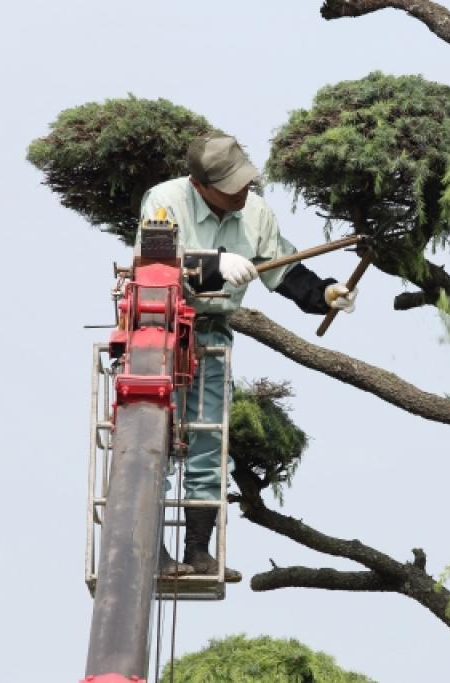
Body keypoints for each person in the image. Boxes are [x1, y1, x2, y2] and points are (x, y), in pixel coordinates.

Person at [138, 134, 357, 582]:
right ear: (200, 186)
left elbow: (285, 268)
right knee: (156, 441)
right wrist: (211, 264)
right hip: (159, 332)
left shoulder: (255, 212)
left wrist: (326, 294)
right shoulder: (164, 202)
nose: (241, 191)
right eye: (230, 186)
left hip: (212, 335)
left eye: (244, 181)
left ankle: (198, 550)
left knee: (209, 443)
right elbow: (156, 266)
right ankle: (151, 551)